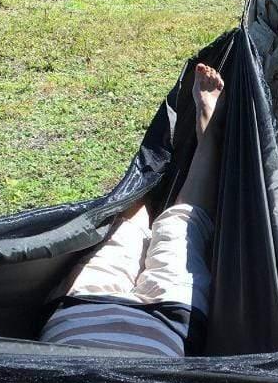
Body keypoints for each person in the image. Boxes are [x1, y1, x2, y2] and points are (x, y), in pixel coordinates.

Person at [39, 63, 226, 357]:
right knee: (179, 228)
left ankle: (147, 188)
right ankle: (208, 138)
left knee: (124, 233)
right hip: (170, 318)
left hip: (82, 307)